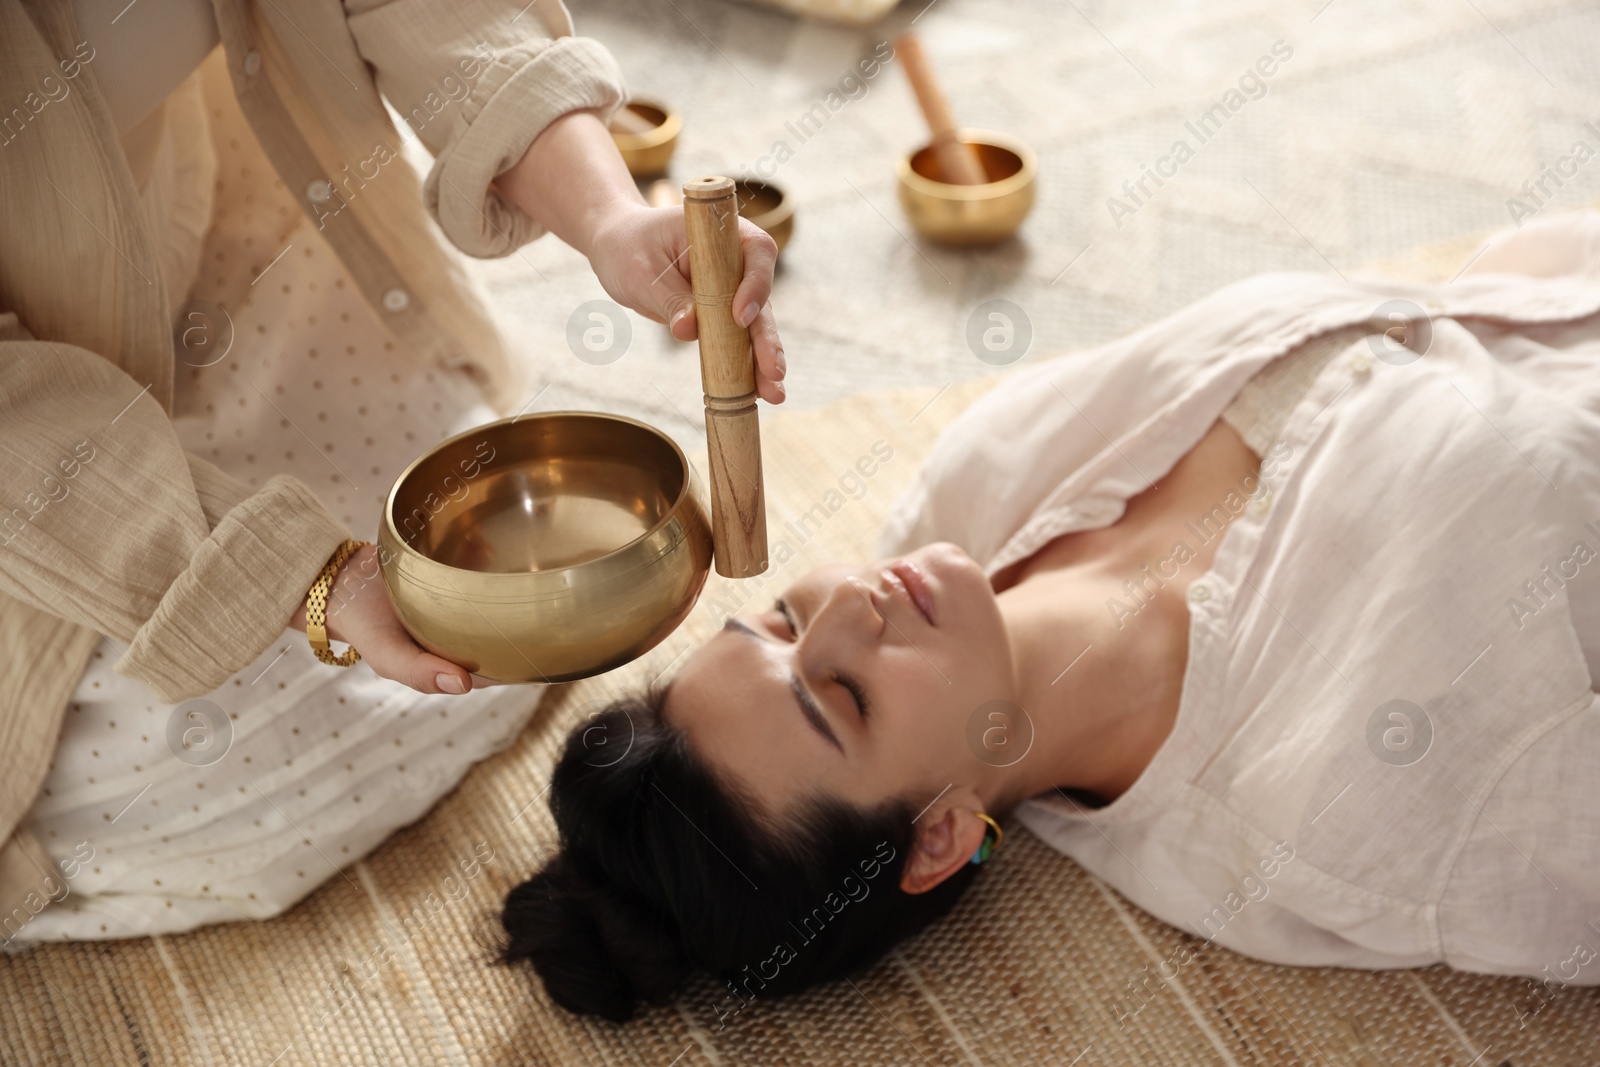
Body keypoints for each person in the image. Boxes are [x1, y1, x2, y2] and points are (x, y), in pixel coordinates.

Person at [501, 212, 1600, 1021]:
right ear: (939, 832)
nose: (846, 606)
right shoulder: (1346, 814)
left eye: (781, 619)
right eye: (841, 695)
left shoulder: (974, 482)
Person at [0, 0, 784, 945]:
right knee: (225, 722)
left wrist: (611, 218)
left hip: (196, 247)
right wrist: (306, 582)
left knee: (473, 505)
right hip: (36, 472)